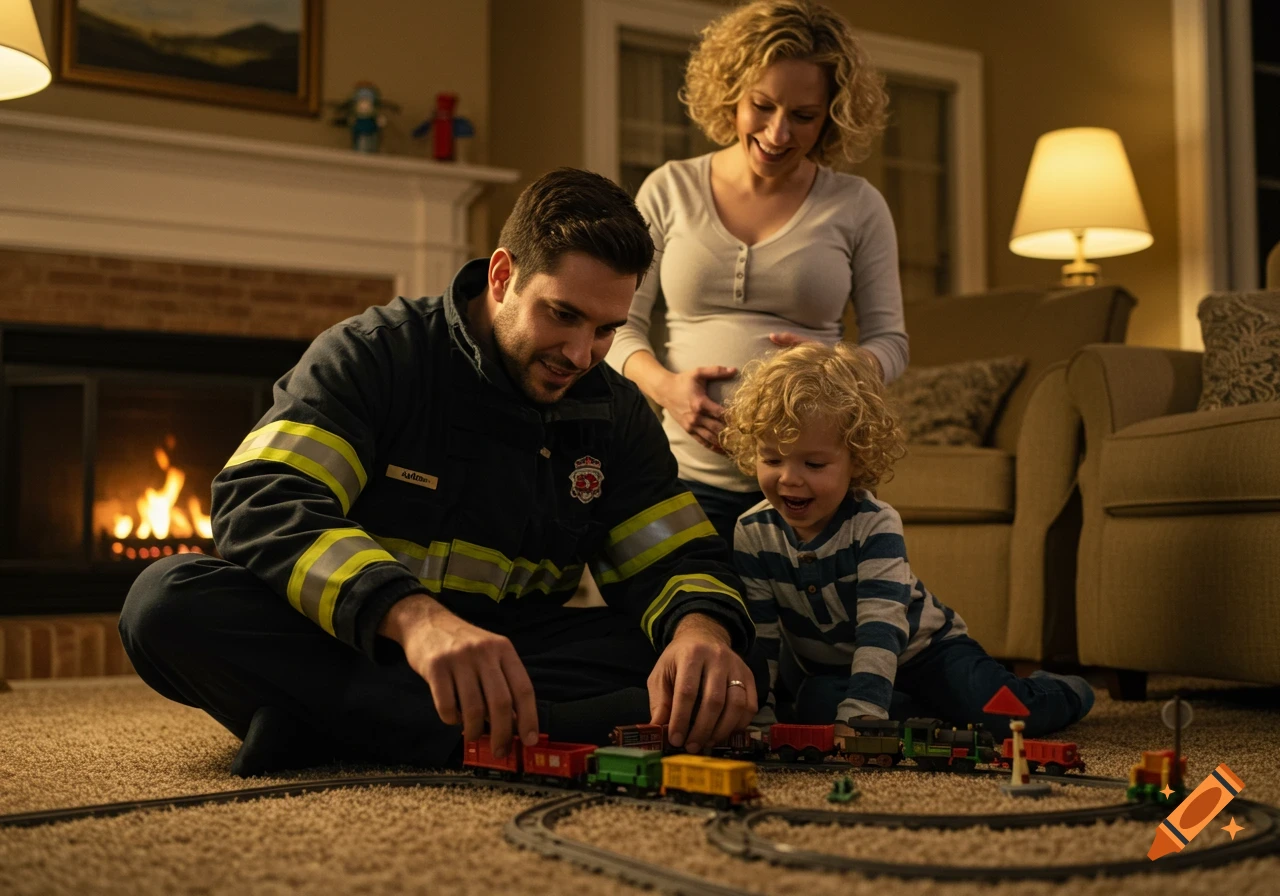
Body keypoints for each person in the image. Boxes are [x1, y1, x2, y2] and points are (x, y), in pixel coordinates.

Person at [119, 168, 759, 777]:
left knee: (722, 657)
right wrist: (415, 619)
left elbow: (676, 556)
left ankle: (328, 728)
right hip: (364, 638)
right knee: (166, 605)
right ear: (503, 276)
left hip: (514, 652)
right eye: (563, 315)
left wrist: (698, 633)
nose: (580, 354)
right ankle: (536, 730)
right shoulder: (376, 354)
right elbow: (263, 499)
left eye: (606, 329)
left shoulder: (613, 410)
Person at [606, 0, 909, 545]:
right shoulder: (669, 188)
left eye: (803, 116)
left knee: (809, 630)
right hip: (687, 476)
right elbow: (615, 325)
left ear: (833, 115)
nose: (777, 133)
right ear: (732, 94)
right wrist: (668, 388)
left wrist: (841, 367)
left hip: (812, 486)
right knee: (696, 619)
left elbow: (891, 341)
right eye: (762, 106)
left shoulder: (858, 205)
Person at [721, 343, 1094, 739]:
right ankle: (930, 715)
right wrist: (758, 715)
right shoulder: (752, 530)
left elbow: (880, 629)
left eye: (814, 464)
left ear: (857, 459)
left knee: (1007, 715)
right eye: (772, 459)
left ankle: (1065, 690)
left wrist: (863, 709)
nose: (789, 479)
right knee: (815, 706)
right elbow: (762, 638)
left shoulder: (875, 523)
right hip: (840, 670)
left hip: (928, 653)